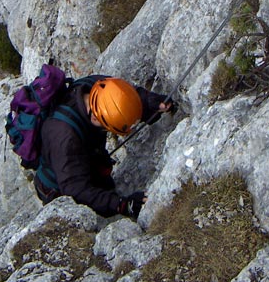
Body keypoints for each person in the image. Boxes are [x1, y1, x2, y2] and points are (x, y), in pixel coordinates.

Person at [34, 75, 173, 219]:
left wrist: (149, 102)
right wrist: (122, 205)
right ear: (95, 118)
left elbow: (122, 97)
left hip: (85, 158)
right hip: (58, 187)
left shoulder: (98, 87)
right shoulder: (65, 138)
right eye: (107, 128)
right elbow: (76, 190)